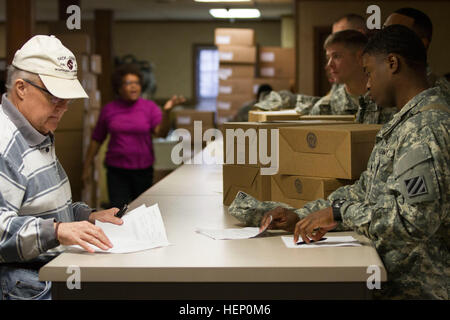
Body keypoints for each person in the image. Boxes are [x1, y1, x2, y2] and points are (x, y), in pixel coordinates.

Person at [254, 25, 449, 299]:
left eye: (368, 72)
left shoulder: (425, 127)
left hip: (419, 289)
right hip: (391, 278)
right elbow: (363, 192)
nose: (367, 84)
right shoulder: (404, 123)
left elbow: (415, 219)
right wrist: (304, 214)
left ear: (392, 63)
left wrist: (339, 214)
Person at [0, 35, 123, 300]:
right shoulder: (5, 145)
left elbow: (41, 205)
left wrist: (85, 216)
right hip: (25, 283)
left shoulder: (36, 131)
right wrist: (57, 231)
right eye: (55, 97)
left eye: (68, 99)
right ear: (21, 88)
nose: (64, 108)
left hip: (49, 270)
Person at [82, 64, 185, 208]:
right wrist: (86, 168)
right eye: (128, 83)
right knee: (118, 212)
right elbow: (96, 139)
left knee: (142, 210)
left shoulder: (149, 107)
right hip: (116, 171)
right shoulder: (109, 109)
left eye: (137, 83)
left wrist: (166, 112)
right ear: (119, 87)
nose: (134, 87)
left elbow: (161, 133)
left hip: (143, 171)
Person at [383, 7, 450, 101]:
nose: (383, 39)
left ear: (421, 43)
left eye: (394, 33)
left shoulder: (440, 94)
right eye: (383, 30)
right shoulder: (379, 85)